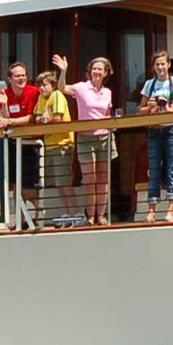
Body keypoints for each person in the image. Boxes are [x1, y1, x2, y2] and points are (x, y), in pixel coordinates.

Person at [54, 53, 115, 225]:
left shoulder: (108, 92)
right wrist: (63, 71)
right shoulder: (82, 87)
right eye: (94, 68)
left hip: (104, 137)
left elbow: (107, 114)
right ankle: (90, 215)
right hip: (85, 137)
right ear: (90, 71)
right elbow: (62, 89)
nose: (96, 72)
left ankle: (101, 216)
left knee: (103, 179)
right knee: (89, 178)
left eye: (100, 69)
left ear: (105, 73)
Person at [139, 49, 173, 223]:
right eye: (157, 64)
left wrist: (169, 109)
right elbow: (141, 109)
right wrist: (151, 107)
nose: (160, 67)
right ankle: (151, 210)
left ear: (168, 65)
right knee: (153, 169)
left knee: (172, 168)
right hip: (154, 130)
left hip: (172, 130)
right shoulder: (149, 85)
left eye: (163, 64)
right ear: (153, 67)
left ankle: (171, 210)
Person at [0, 61, 42, 227]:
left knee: (30, 186)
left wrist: (10, 121)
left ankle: (37, 218)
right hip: (13, 145)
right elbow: (3, 120)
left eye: (23, 75)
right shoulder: (4, 94)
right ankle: (20, 221)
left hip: (31, 144)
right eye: (17, 76)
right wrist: (4, 104)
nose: (21, 78)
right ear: (10, 79)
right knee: (16, 184)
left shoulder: (35, 92)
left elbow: (33, 118)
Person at [34, 75, 77, 226]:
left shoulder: (57, 95)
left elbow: (57, 118)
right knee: (59, 184)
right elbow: (37, 117)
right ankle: (66, 212)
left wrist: (46, 119)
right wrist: (43, 119)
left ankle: (76, 213)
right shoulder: (41, 98)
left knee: (65, 182)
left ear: (52, 85)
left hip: (62, 143)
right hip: (49, 145)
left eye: (45, 85)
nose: (42, 88)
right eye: (40, 85)